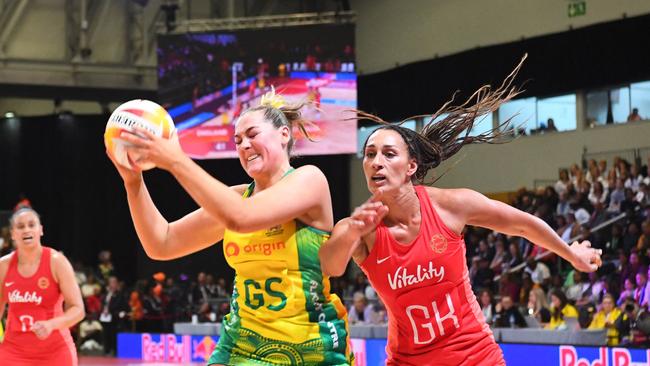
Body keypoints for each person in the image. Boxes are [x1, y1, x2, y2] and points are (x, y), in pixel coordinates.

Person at [319, 56, 602, 365]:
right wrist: (353, 232)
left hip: (476, 356)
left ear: (411, 166)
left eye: (388, 154)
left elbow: (522, 225)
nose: (376, 162)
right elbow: (330, 266)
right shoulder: (360, 228)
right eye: (369, 154)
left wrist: (571, 254)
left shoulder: (449, 206)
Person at [110, 90, 353, 365]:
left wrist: (176, 160)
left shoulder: (309, 180)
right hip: (241, 345)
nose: (244, 145)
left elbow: (241, 218)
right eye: (237, 140)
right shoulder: (238, 198)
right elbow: (161, 243)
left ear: (284, 134)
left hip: (309, 347)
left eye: (252, 134)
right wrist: (133, 182)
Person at [0, 208, 85, 365]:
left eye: (32, 225)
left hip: (56, 351)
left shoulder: (57, 261)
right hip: (14, 351)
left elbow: (78, 310)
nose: (26, 229)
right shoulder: (3, 266)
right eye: (20, 226)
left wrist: (51, 324)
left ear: (40, 230)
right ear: (12, 234)